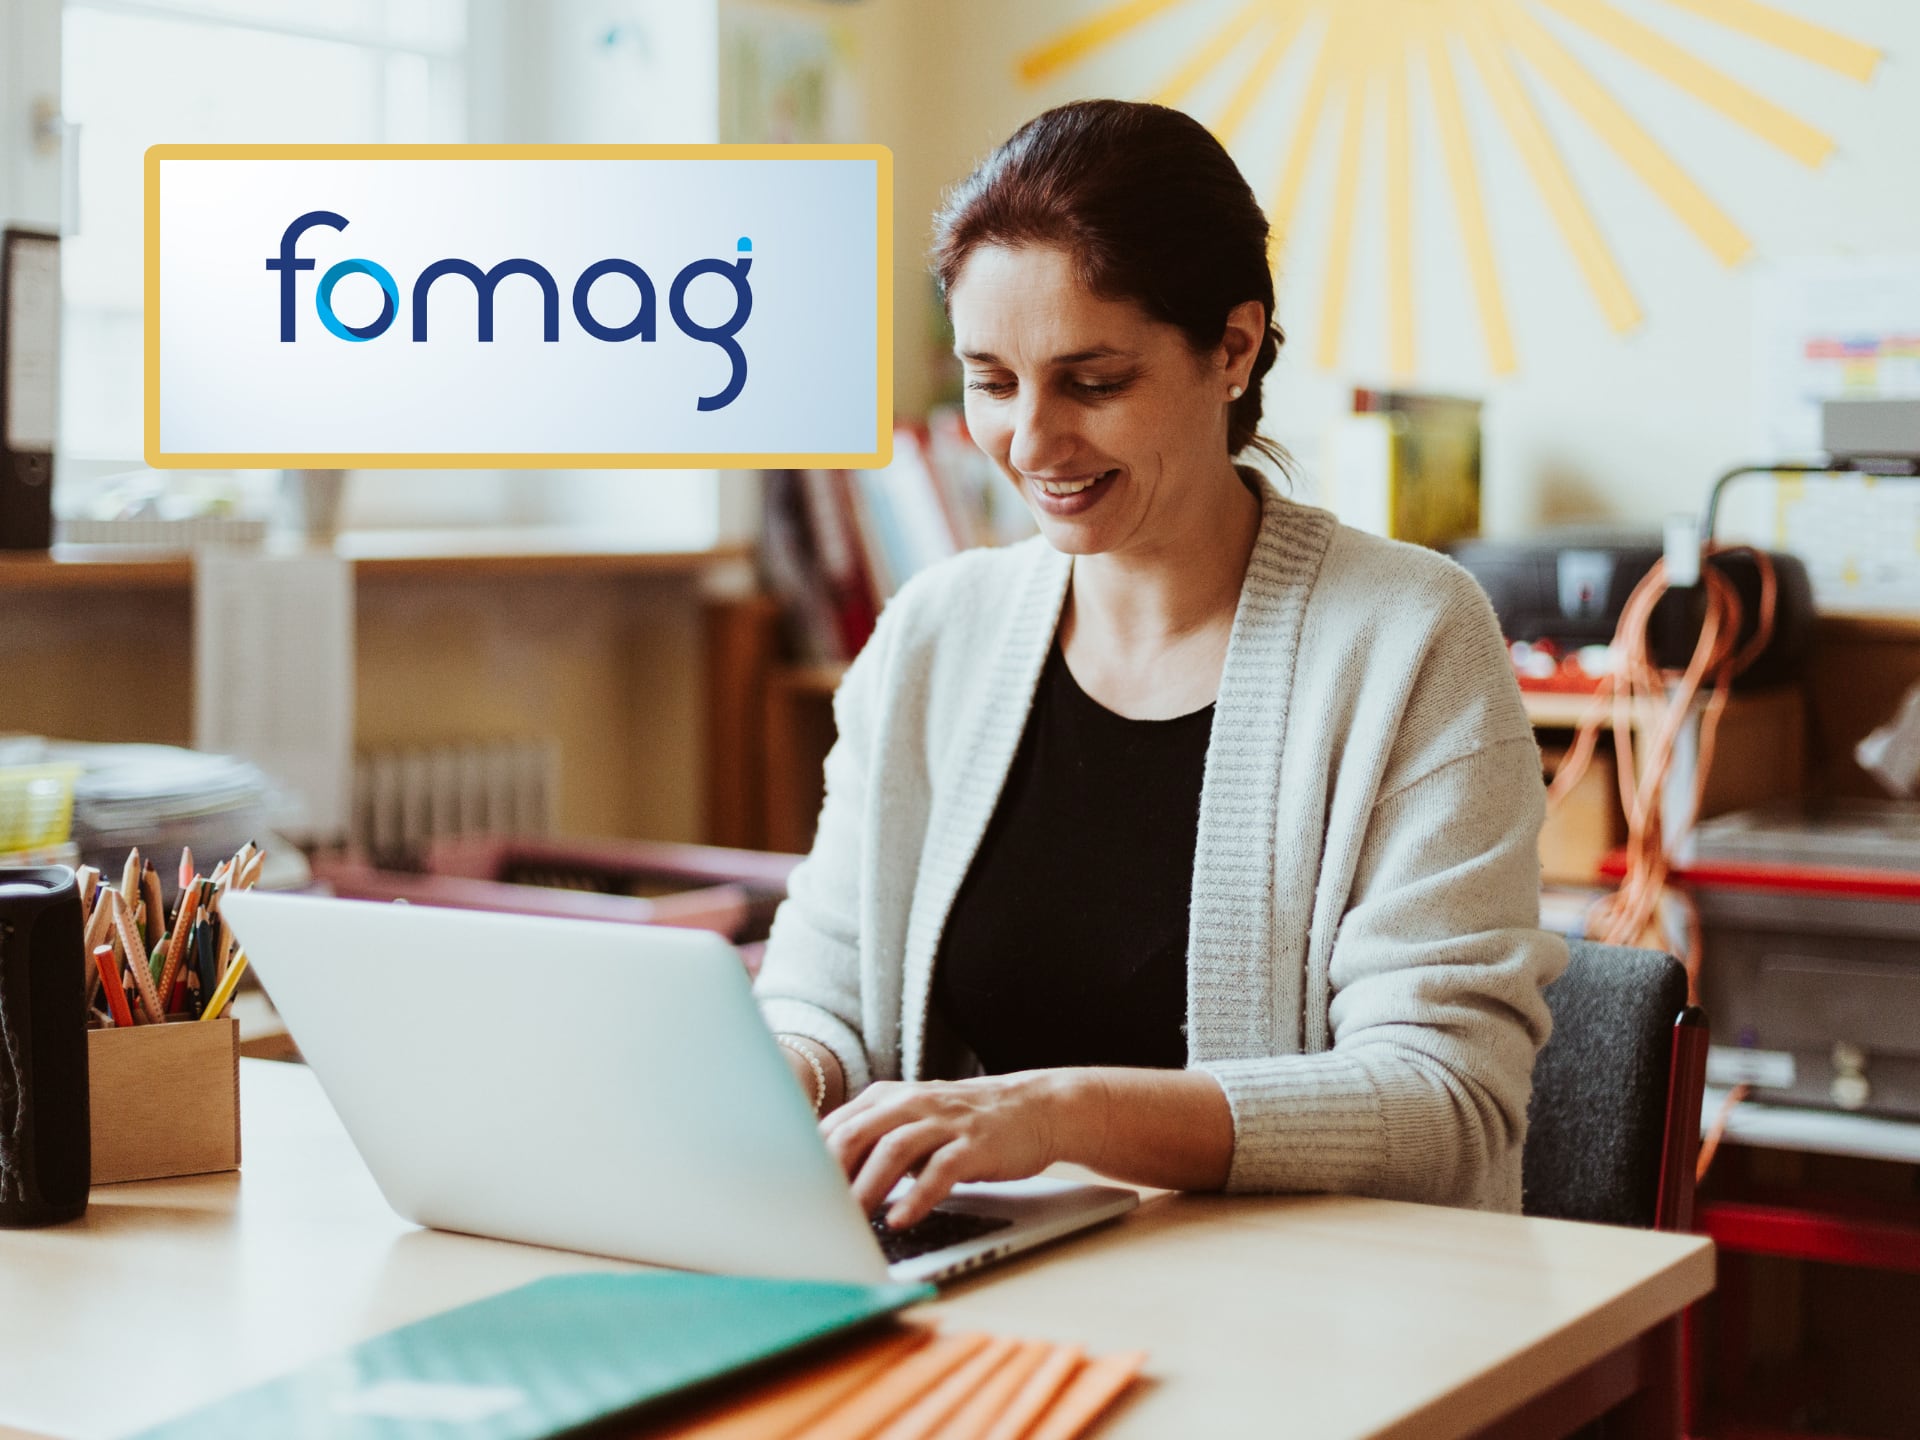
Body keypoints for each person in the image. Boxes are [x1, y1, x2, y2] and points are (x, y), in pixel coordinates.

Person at [755, 98, 1567, 1232]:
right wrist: (786, 1074)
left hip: (1314, 1317)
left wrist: (1058, 1114)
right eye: (991, 383)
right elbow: (824, 992)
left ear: (1231, 348)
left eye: (1093, 382)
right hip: (974, 1280)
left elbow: (1443, 1104)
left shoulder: (1412, 638)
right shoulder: (933, 635)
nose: (1031, 445)